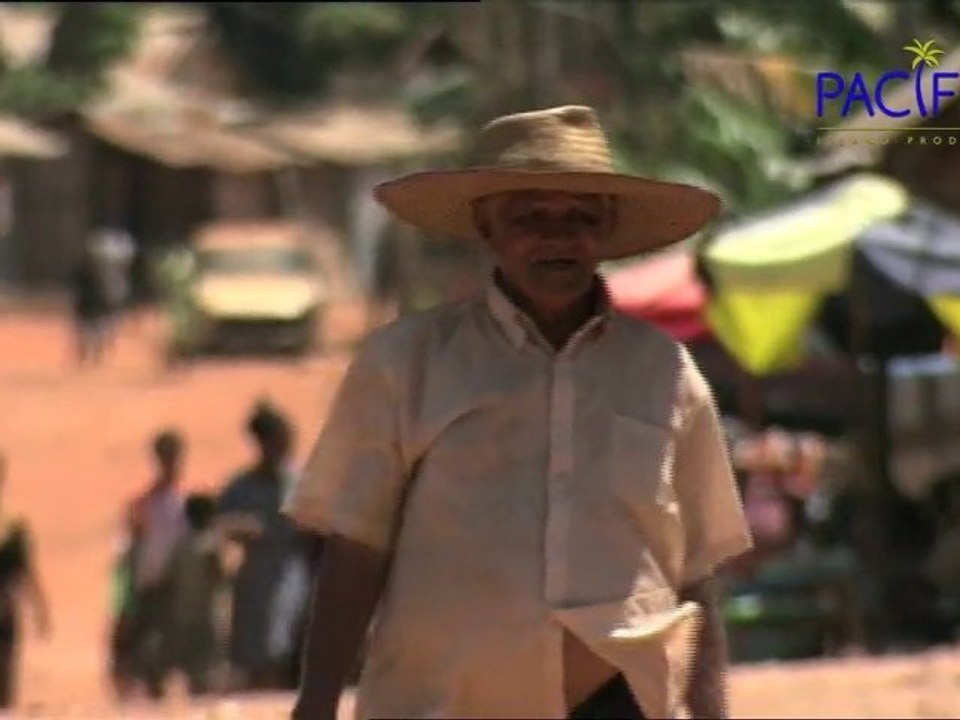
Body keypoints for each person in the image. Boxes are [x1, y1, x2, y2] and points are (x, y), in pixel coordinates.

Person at [283, 105, 754, 720]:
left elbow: (696, 571)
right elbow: (356, 548)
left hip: (620, 702)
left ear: (607, 230)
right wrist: (315, 703)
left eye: (581, 218)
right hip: (445, 706)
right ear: (488, 227)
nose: (558, 237)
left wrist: (711, 713)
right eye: (531, 217)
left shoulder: (666, 373)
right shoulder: (406, 364)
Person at [217, 402, 311, 691]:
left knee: (283, 642)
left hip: (293, 572)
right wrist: (242, 527)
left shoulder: (300, 483)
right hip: (256, 576)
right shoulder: (241, 486)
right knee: (253, 653)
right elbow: (219, 522)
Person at [117, 430, 188, 699]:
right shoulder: (143, 504)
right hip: (150, 585)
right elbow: (131, 548)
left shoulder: (186, 503)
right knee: (148, 651)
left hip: (178, 587)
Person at [0, 452, 50, 710]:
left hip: (6, 611)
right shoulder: (14, 526)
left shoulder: (15, 526)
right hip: (6, 609)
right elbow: (28, 572)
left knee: (5, 683)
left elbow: (27, 571)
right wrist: (40, 609)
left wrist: (40, 608)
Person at [166, 493, 225, 697]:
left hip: (183, 610)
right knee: (207, 658)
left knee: (190, 658)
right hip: (206, 611)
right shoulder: (210, 544)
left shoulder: (180, 545)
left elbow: (170, 577)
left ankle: (194, 691)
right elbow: (218, 575)